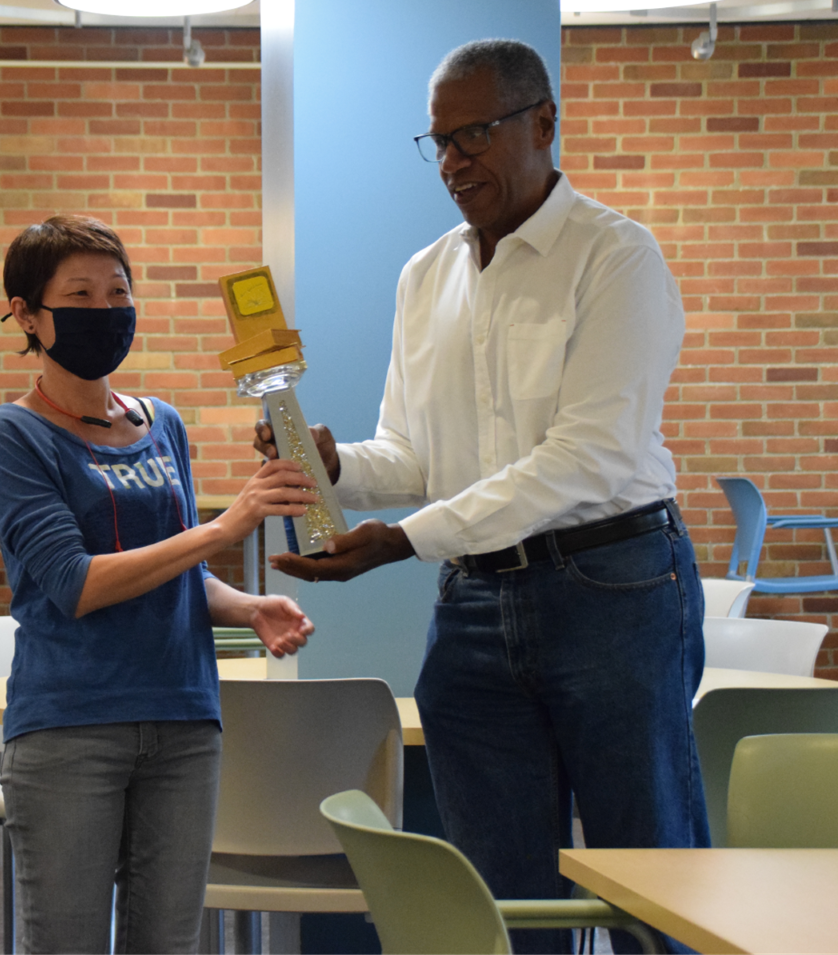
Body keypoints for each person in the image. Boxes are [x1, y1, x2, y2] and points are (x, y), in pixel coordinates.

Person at [257, 40, 709, 955]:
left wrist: (400, 540)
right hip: (474, 605)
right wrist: (337, 465)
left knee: (649, 877)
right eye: (440, 143)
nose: (455, 162)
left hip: (613, 588)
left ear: (544, 123)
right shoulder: (426, 276)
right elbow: (418, 452)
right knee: (492, 891)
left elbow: (583, 457)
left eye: (475, 135)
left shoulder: (614, 257)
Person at [0, 214, 316, 955]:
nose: (105, 310)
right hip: (72, 725)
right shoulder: (14, 435)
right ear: (28, 315)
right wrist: (227, 530)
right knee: (66, 941)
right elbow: (75, 582)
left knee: (169, 943)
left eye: (117, 291)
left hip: (184, 720)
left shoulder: (162, 424)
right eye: (79, 294)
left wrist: (246, 603)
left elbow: (177, 572)